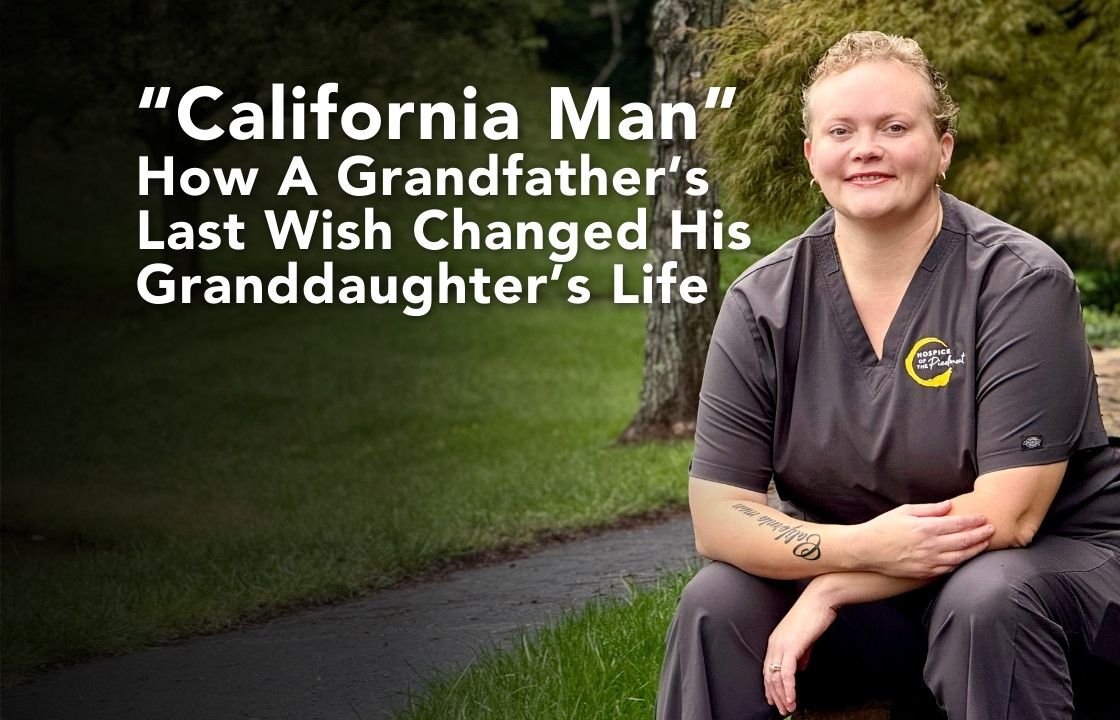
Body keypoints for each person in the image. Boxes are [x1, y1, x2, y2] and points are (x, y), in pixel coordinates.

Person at [655, 30, 1120, 720]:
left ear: (942, 150)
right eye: (841, 130)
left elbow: (1010, 516)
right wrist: (859, 549)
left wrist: (831, 587)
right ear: (814, 156)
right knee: (715, 603)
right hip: (884, 592)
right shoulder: (763, 302)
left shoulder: (1020, 281)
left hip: (1049, 572)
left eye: (895, 127)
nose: (865, 148)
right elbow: (719, 519)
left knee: (986, 595)